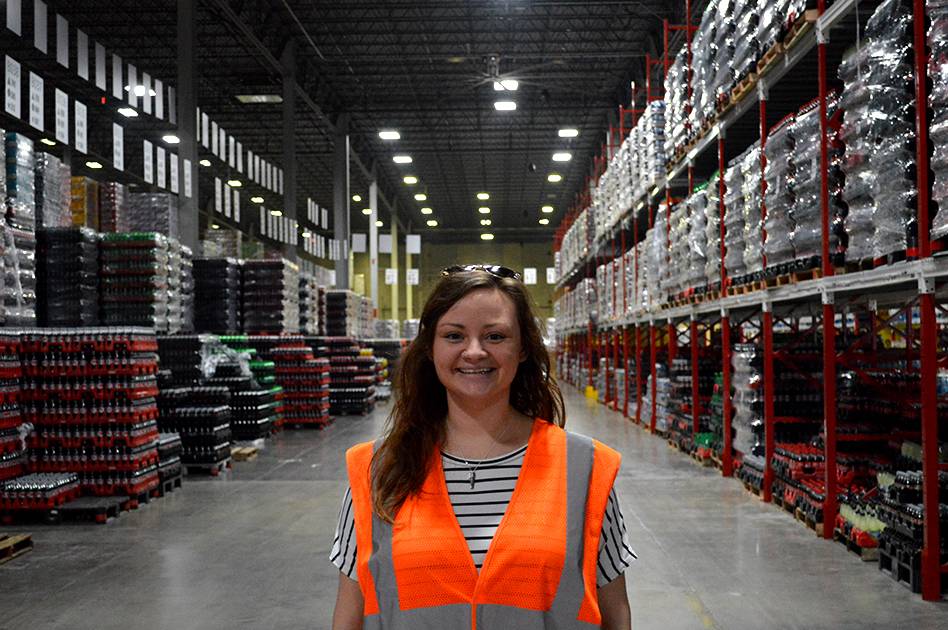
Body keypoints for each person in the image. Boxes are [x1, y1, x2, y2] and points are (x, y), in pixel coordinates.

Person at [330, 264, 634, 629]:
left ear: (523, 348)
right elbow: (349, 615)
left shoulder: (585, 469)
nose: (474, 352)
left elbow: (616, 614)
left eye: (495, 336)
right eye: (454, 336)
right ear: (430, 349)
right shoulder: (377, 470)